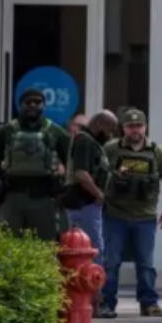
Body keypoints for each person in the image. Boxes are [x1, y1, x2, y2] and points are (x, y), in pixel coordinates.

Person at [97, 108, 162, 318]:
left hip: (145, 217)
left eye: (138, 126)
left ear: (145, 127)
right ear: (124, 128)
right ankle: (107, 303)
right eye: (130, 126)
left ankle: (149, 303)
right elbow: (98, 175)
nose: (135, 130)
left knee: (146, 264)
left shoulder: (157, 152)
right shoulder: (111, 149)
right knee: (111, 262)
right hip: (115, 215)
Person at [0, 88, 71, 241]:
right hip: (12, 195)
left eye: (37, 102)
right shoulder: (7, 131)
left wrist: (64, 190)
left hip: (44, 198)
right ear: (20, 105)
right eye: (28, 102)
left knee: (45, 246)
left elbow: (71, 163)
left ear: (44, 106)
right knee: (8, 247)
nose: (32, 105)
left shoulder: (56, 132)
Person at [63, 110, 118, 265]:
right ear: (99, 125)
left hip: (87, 204)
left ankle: (89, 286)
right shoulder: (84, 141)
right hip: (83, 204)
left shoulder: (93, 143)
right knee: (92, 249)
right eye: (110, 129)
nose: (111, 135)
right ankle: (92, 286)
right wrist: (98, 194)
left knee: (88, 249)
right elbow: (81, 174)